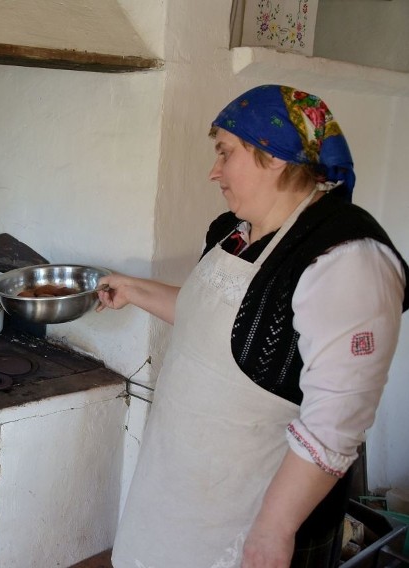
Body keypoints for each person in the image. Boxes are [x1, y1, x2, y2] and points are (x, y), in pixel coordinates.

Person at [97, 84, 409, 568]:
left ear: (275, 155)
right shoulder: (235, 232)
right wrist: (134, 289)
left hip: (248, 521)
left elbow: (337, 418)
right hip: (178, 490)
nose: (213, 171)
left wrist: (273, 530)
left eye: (225, 152)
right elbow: (221, 324)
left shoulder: (348, 258)